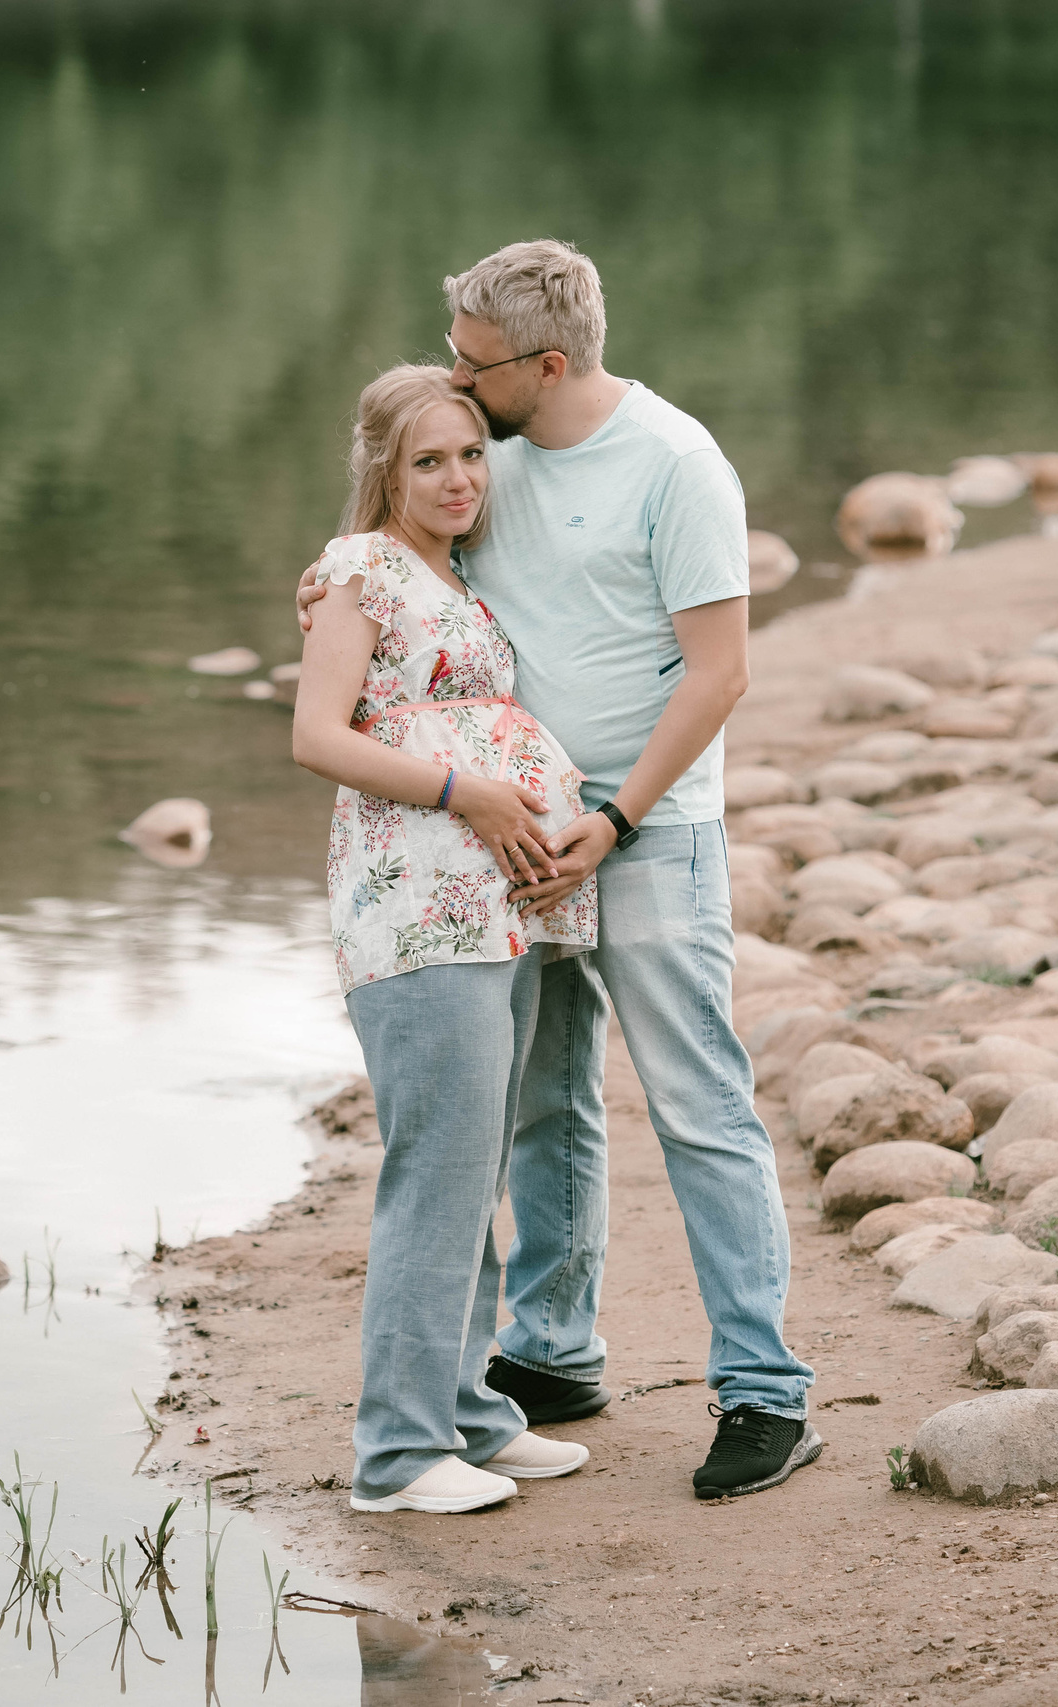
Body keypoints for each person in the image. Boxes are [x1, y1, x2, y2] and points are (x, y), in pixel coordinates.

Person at [297, 240, 820, 1502]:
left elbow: (720, 675)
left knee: (698, 1107)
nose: (457, 401)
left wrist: (619, 817)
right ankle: (548, 1354)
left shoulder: (676, 465)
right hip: (497, 857)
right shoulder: (482, 462)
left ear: (547, 362)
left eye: (475, 375)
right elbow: (398, 608)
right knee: (541, 1106)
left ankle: (763, 1393)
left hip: (646, 829)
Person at [291, 363, 598, 1516]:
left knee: (471, 1173)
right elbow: (316, 735)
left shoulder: (452, 573)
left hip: (493, 907)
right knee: (437, 1176)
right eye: (429, 460)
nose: (460, 477)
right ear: (383, 468)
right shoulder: (362, 567)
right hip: (414, 909)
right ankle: (396, 1457)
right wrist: (464, 790)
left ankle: (465, 1414)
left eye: (472, 453)